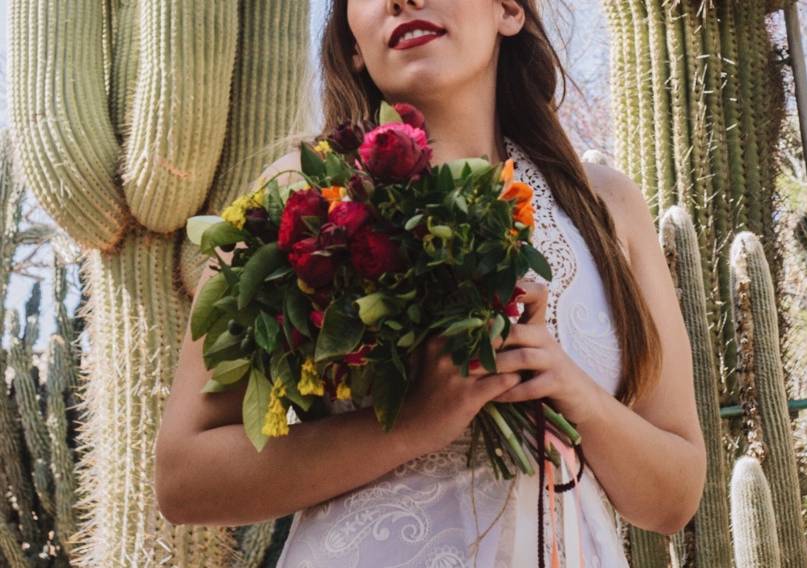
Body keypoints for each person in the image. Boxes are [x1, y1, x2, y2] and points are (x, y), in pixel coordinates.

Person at [154, 0, 707, 566]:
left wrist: (568, 388)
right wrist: (408, 427)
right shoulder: (296, 202)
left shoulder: (606, 207)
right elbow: (183, 477)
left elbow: (674, 499)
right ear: (351, 44)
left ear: (509, 11)